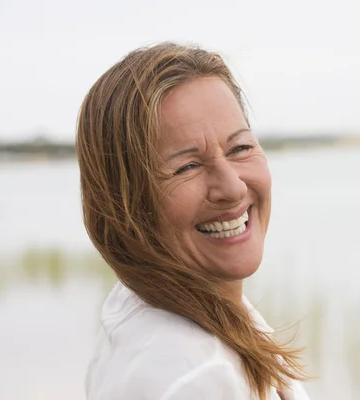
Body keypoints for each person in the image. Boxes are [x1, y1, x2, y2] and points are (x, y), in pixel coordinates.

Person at [77, 42, 310, 400]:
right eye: (186, 166)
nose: (232, 188)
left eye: (240, 148)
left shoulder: (136, 305)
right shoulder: (197, 379)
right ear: (124, 201)